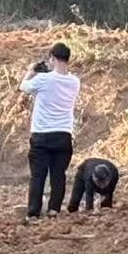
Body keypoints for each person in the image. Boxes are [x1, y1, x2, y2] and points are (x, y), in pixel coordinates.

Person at [20, 43, 80, 219]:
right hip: (63, 135)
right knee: (58, 175)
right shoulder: (75, 82)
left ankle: (33, 213)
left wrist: (31, 71)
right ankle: (54, 210)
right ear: (68, 59)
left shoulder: (43, 80)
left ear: (52, 58)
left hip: (42, 135)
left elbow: (24, 86)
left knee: (38, 176)